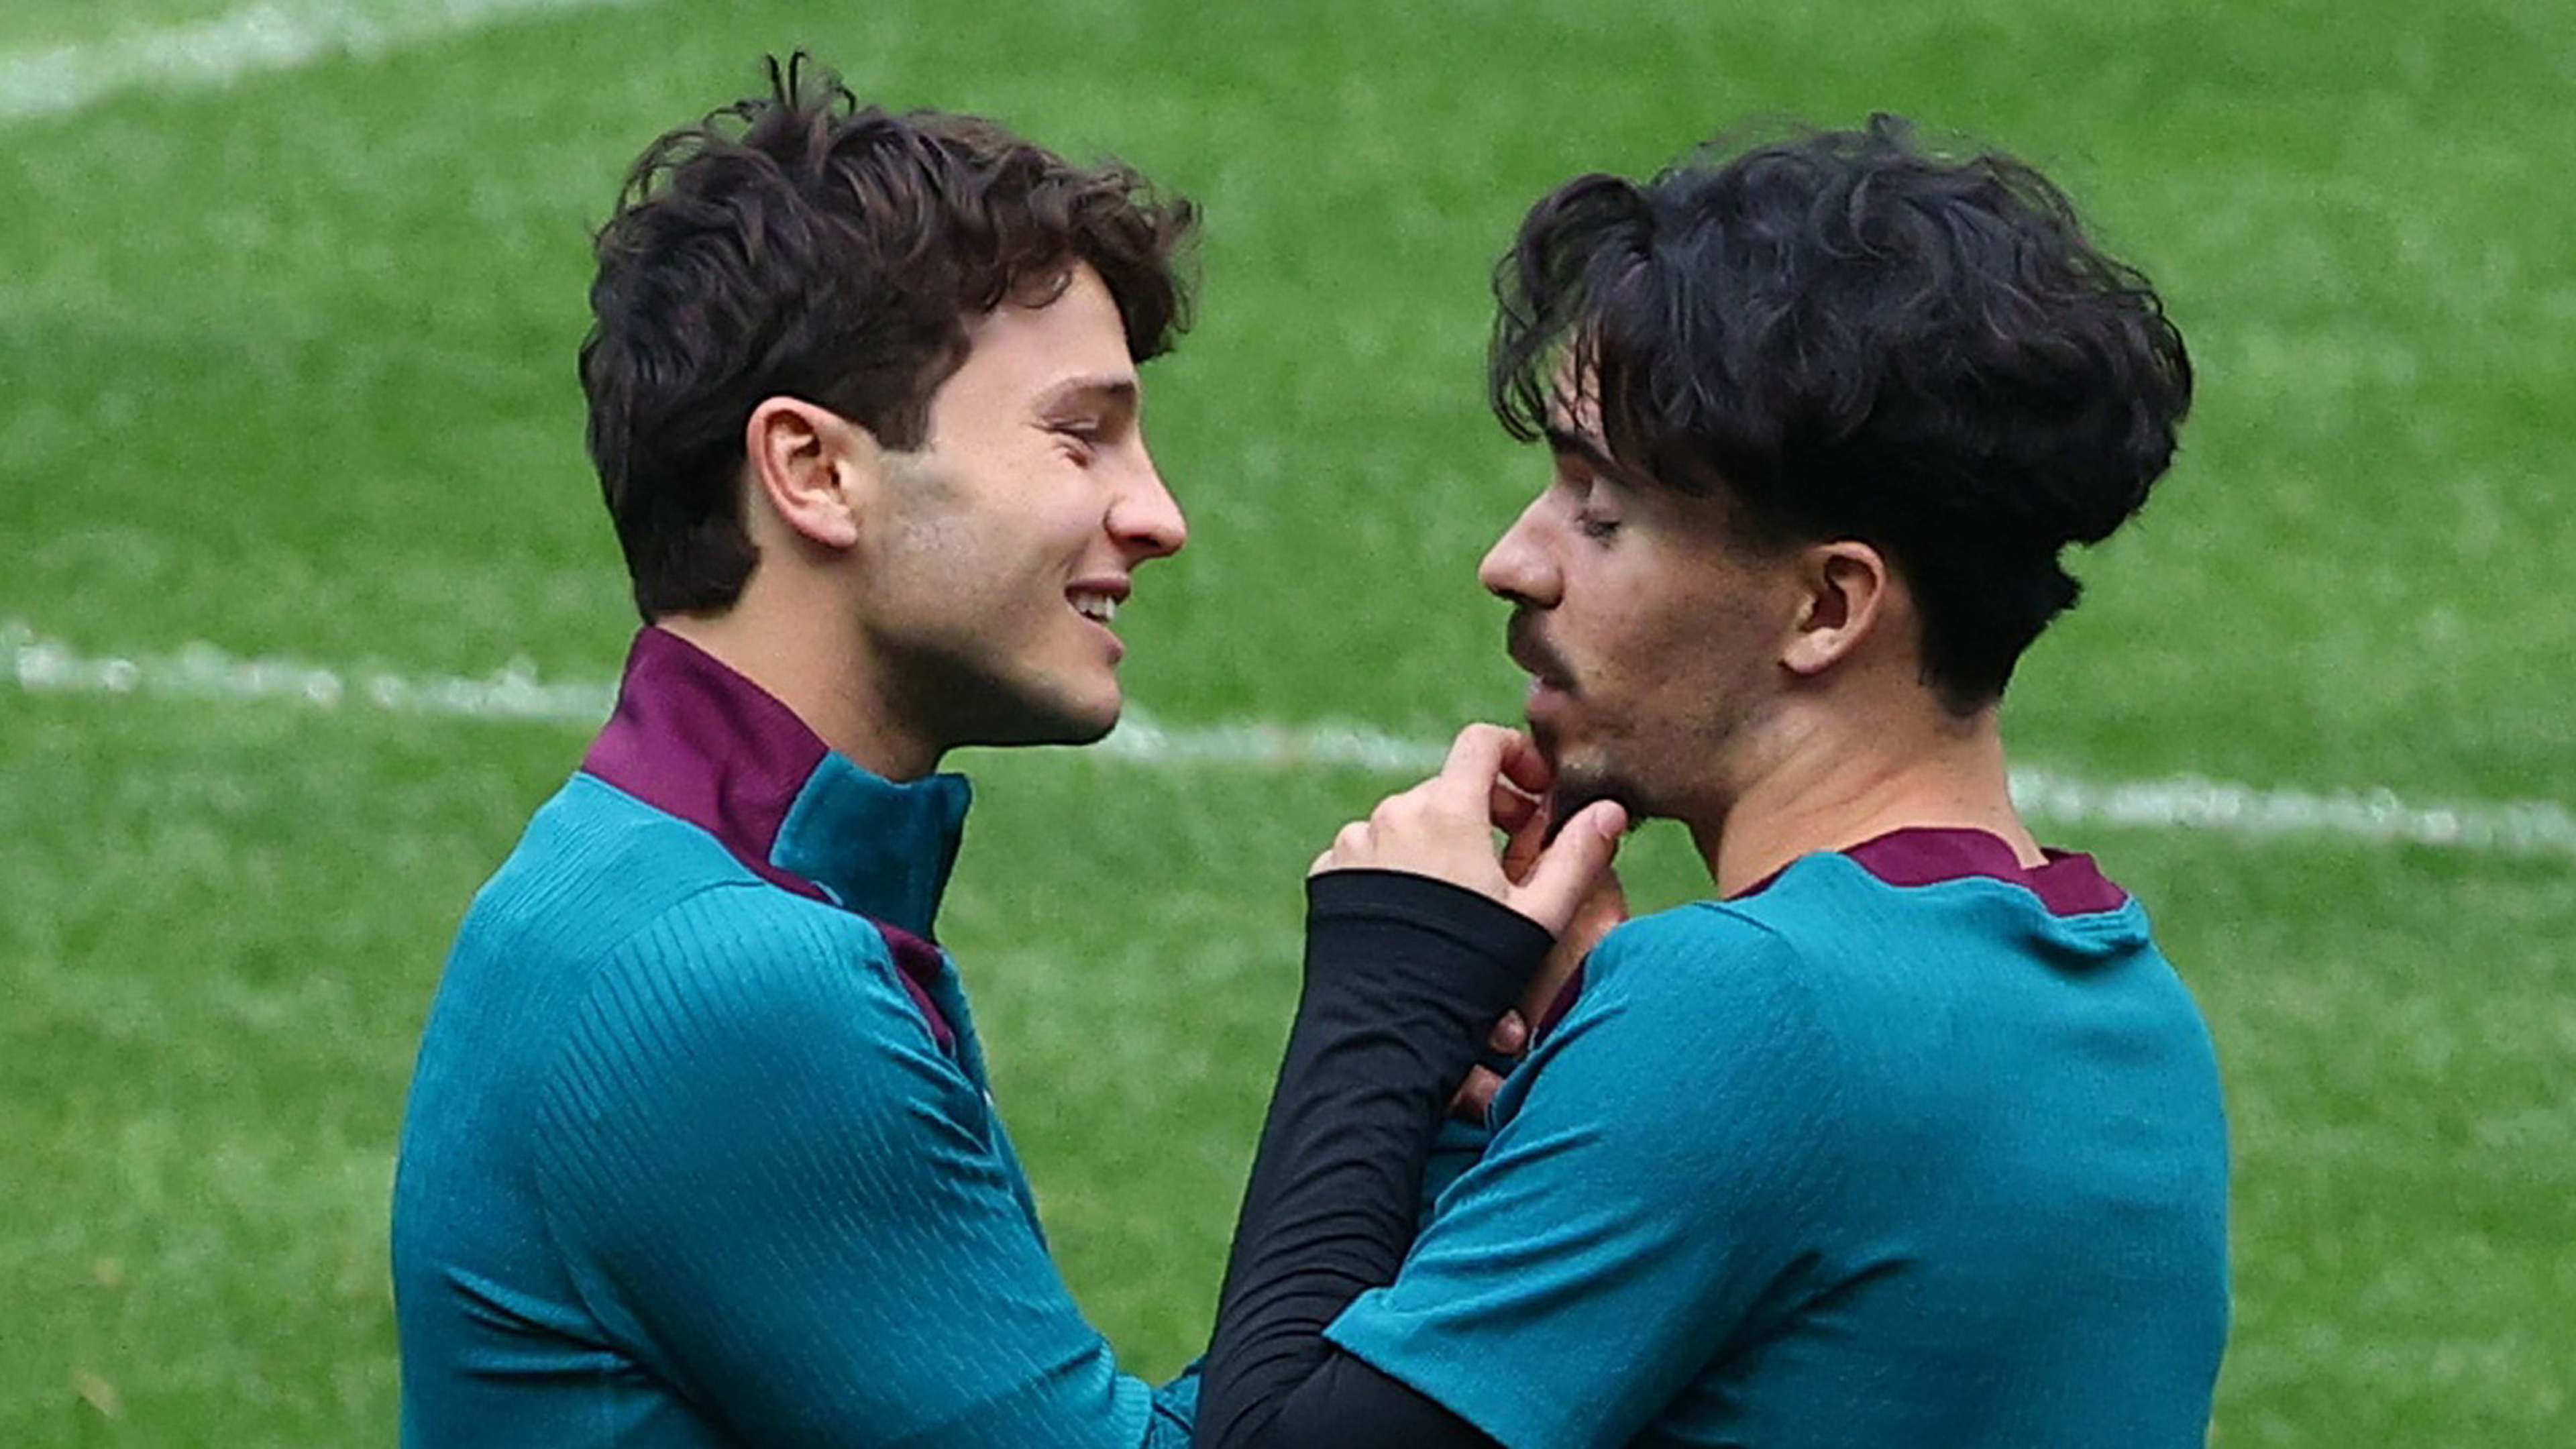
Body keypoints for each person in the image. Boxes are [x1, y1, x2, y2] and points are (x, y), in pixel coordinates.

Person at [1195, 117, 2231, 1448]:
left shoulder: (1747, 1010)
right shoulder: (2138, 1020)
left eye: (1601, 511)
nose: (1513, 561)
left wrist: (1383, 1003)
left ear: (1826, 605)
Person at [390, 55, 1214, 1446]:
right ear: (816, 473)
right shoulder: (728, 980)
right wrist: (1400, 1043)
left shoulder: (650, 877)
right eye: (1082, 439)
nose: (1157, 516)